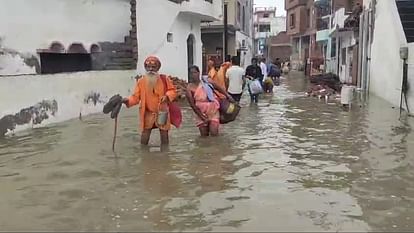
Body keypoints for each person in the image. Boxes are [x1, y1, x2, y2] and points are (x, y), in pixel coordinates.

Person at [123, 56, 177, 145]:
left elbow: (172, 91)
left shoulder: (164, 79)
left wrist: (167, 96)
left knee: (164, 134)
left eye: (153, 67)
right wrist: (127, 101)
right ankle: (144, 155)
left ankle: (165, 155)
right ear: (145, 68)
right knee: (145, 135)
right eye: (148, 67)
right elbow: (136, 97)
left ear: (158, 68)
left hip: (162, 112)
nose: (151, 69)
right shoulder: (141, 82)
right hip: (148, 113)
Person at [186, 65, 235, 137]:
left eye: (195, 72)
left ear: (199, 73)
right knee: (204, 136)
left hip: (213, 110)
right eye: (191, 73)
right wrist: (202, 116)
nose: (193, 75)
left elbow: (219, 88)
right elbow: (192, 105)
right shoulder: (189, 88)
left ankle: (215, 147)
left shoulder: (206, 81)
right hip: (200, 112)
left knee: (214, 133)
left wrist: (228, 96)